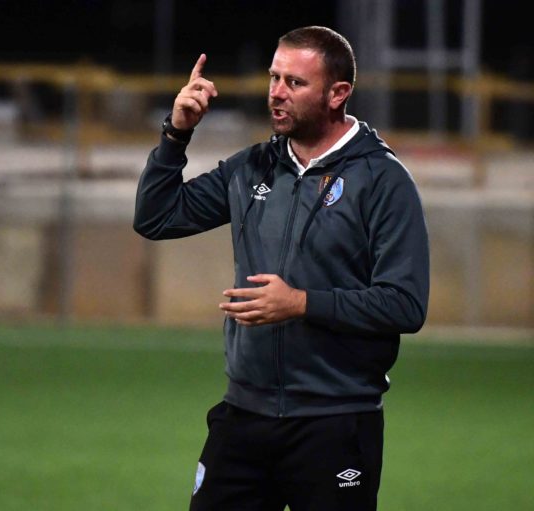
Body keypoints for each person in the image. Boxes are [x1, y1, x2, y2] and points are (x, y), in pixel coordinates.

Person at [133, 26, 429, 511]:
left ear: (338, 94)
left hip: (335, 422)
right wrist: (176, 133)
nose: (276, 92)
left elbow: (405, 304)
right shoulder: (253, 167)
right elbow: (156, 218)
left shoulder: (383, 180)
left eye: (295, 82)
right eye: (274, 77)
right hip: (244, 416)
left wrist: (301, 303)